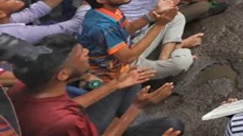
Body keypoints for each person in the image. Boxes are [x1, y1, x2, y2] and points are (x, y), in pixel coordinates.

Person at [7, 33, 183, 136]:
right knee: (173, 126)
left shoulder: (21, 88)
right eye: (80, 54)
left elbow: (67, 106)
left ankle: (138, 126)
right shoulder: (64, 122)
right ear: (63, 74)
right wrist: (136, 106)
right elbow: (63, 114)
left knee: (130, 80)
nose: (86, 52)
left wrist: (115, 84)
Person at [77, 0, 182, 82]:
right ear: (101, 0)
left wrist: (154, 12)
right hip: (117, 71)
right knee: (181, 63)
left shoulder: (105, 10)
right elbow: (128, 58)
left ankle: (164, 56)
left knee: (176, 17)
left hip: (127, 48)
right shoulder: (102, 27)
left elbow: (127, 29)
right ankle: (177, 47)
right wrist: (160, 24)